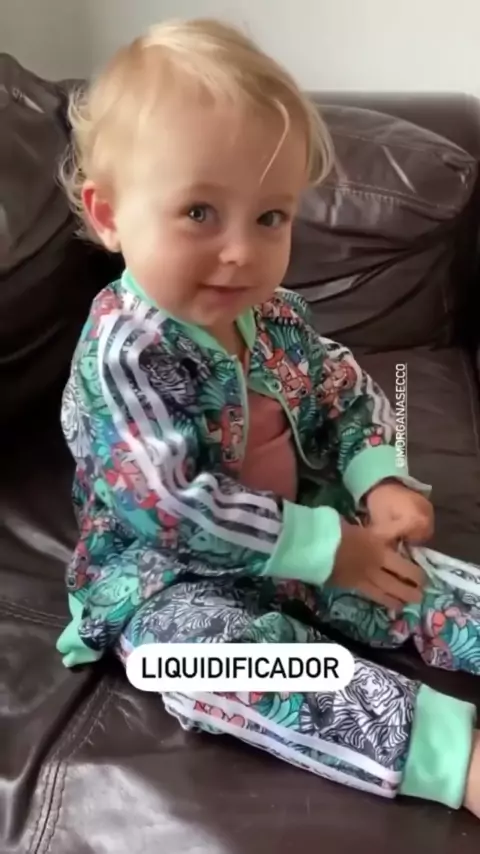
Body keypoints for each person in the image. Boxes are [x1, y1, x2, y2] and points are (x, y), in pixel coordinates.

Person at [58, 17, 480, 817]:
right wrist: (328, 551)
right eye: (199, 212)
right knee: (206, 666)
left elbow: (342, 387)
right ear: (108, 215)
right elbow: (168, 506)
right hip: (167, 584)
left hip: (312, 532)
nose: (242, 253)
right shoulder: (124, 354)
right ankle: (454, 757)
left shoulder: (275, 314)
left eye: (270, 218)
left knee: (413, 580)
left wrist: (380, 480)